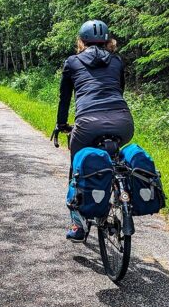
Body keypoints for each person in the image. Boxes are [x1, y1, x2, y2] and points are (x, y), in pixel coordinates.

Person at [57, 19, 134, 241]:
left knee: (77, 169)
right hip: (123, 122)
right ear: (108, 42)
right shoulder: (117, 62)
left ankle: (78, 225)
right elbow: (120, 90)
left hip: (88, 124)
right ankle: (122, 193)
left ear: (81, 42)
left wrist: (62, 124)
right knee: (116, 160)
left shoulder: (72, 62)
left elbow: (64, 99)